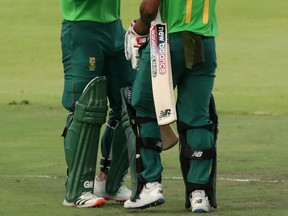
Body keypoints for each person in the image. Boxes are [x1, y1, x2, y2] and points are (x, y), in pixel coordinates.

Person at [123, 0, 219, 213]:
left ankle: (151, 185)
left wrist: (138, 27)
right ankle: (199, 194)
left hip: (166, 41)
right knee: (197, 117)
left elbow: (148, 10)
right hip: (205, 41)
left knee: (143, 104)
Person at [60, 0, 135, 208]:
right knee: (87, 105)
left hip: (114, 29)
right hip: (81, 28)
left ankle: (109, 181)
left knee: (130, 102)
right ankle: (77, 189)